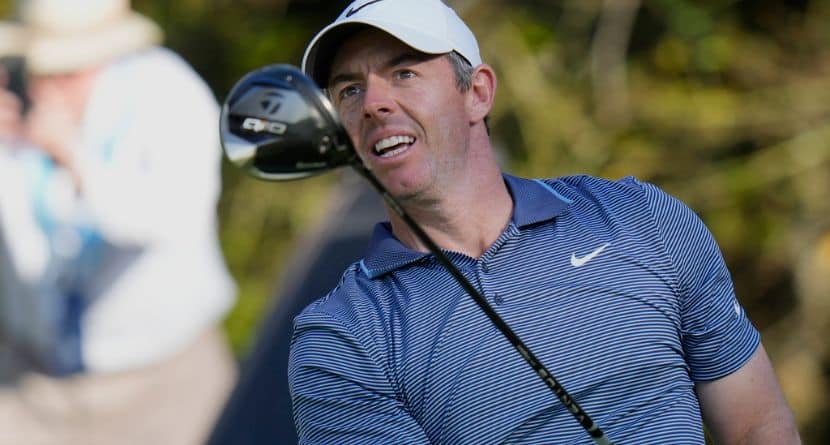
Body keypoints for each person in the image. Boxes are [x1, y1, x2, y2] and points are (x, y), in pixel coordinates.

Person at [287, 0, 801, 443]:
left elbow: (757, 423)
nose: (374, 103)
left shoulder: (638, 217)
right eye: (348, 91)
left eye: (404, 72)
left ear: (478, 93)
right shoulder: (340, 340)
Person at [0, 1, 237, 444]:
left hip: (164, 378)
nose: (47, 85)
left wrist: (74, 158)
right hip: (30, 382)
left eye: (66, 71)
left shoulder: (170, 93)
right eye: (39, 68)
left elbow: (166, 221)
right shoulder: (11, 91)